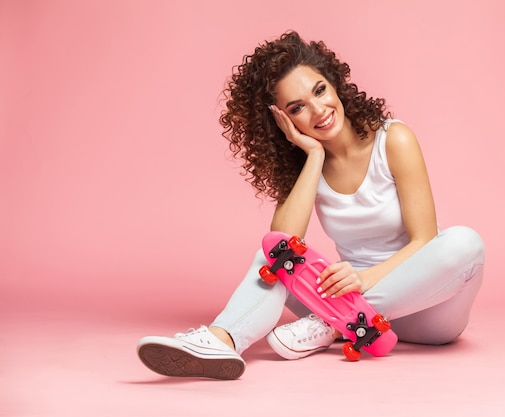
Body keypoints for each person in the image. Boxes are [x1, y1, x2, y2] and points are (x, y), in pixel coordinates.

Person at [136, 31, 485, 380]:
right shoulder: (308, 166)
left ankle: (332, 324)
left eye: (319, 91)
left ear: (334, 84)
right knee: (276, 253)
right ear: (283, 122)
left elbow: (424, 240)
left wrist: (362, 281)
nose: (318, 110)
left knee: (464, 242)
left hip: (426, 310)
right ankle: (222, 340)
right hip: (344, 298)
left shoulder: (393, 139)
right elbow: (281, 240)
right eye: (297, 108)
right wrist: (315, 154)